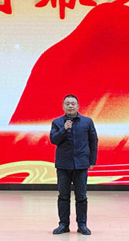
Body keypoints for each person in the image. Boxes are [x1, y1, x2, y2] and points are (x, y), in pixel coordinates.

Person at [49, 94, 98, 236]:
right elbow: (54, 140)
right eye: (67, 104)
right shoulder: (57, 122)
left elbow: (93, 141)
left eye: (73, 103)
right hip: (63, 165)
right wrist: (64, 129)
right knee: (63, 196)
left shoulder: (87, 122)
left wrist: (92, 161)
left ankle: (82, 225)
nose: (70, 106)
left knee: (81, 196)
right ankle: (63, 224)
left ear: (78, 106)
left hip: (81, 165)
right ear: (63, 106)